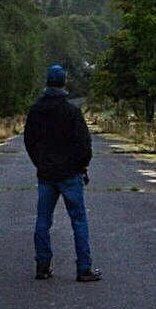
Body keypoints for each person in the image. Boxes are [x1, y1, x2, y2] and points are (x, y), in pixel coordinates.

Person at [23, 63, 100, 282]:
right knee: (78, 220)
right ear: (64, 82)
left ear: (47, 82)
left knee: (43, 220)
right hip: (70, 174)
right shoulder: (72, 111)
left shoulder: (36, 109)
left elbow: (29, 139)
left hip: (47, 173)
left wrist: (39, 162)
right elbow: (84, 143)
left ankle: (42, 265)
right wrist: (82, 165)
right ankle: (83, 268)